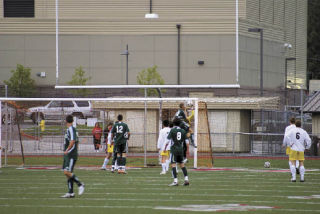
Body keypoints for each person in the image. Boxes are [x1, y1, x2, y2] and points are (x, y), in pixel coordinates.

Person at [61, 115, 85, 198]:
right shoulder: (70, 129)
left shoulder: (71, 129)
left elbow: (73, 141)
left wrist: (67, 150)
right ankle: (71, 193)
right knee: (67, 173)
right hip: (69, 154)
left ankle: (80, 184)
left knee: (67, 172)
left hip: (70, 154)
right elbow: (76, 142)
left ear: (66, 121)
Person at [167, 118, 190, 186]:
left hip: (174, 150)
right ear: (180, 123)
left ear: (174, 123)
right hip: (181, 150)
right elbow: (187, 142)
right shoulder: (183, 131)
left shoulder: (172, 130)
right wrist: (187, 150)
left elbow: (167, 140)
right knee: (182, 165)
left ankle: (175, 181)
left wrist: (165, 148)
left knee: (173, 164)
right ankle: (186, 179)